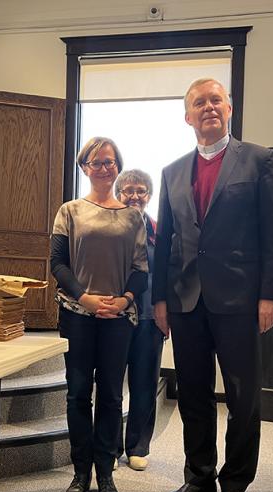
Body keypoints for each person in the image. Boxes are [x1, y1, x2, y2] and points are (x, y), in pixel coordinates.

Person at [152, 78, 273, 492]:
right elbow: (165, 241)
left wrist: (270, 294)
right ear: (187, 116)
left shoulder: (259, 160)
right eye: (199, 102)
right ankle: (198, 478)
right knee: (192, 393)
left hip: (240, 299)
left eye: (216, 100)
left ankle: (235, 485)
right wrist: (159, 300)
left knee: (243, 397)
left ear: (229, 109)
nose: (208, 107)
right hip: (186, 300)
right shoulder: (172, 171)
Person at [51, 137, 148, 492]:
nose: (104, 168)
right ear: (84, 167)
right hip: (77, 314)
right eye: (97, 162)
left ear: (117, 166)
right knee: (78, 393)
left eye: (110, 162)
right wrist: (85, 298)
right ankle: (80, 473)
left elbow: (141, 270)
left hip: (117, 318)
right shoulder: (70, 211)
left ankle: (105, 473)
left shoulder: (133, 217)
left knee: (110, 395)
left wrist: (124, 300)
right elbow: (58, 264)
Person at [114, 169, 164, 471]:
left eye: (141, 190)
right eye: (128, 190)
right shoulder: (108, 227)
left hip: (149, 317)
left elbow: (169, 274)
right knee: (110, 385)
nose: (135, 196)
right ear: (118, 194)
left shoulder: (160, 230)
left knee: (144, 384)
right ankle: (109, 448)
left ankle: (138, 446)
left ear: (149, 195)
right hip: (115, 316)